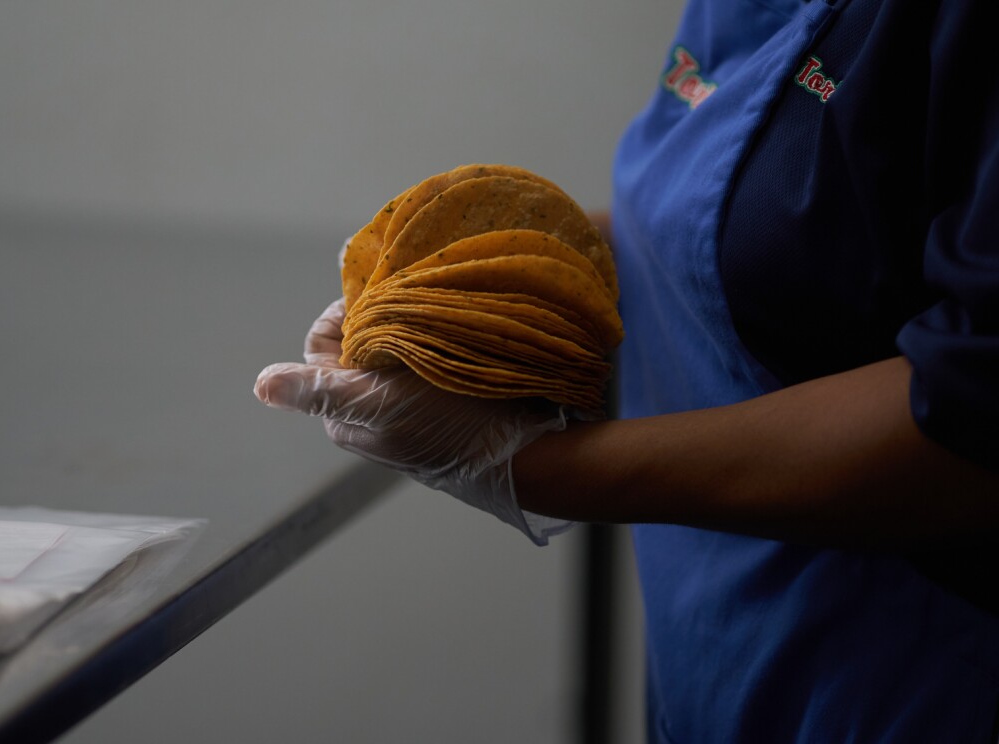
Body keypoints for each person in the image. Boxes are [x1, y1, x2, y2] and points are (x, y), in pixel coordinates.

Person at [255, 0, 999, 740]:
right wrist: (466, 303)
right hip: (715, 664)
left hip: (910, 688)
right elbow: (722, 241)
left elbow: (967, 429)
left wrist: (525, 468)